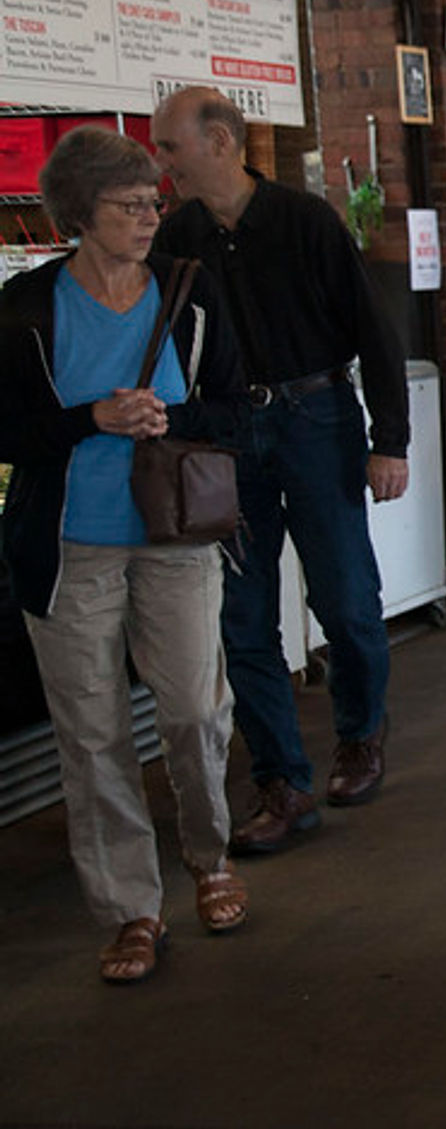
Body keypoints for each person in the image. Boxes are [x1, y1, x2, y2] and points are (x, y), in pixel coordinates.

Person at [1, 126, 252, 981]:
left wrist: (169, 419)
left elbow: (234, 412)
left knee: (193, 710)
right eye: (128, 205)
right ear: (78, 213)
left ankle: (210, 858)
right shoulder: (28, 308)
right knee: (93, 733)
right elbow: (7, 429)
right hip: (69, 549)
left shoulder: (190, 293)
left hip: (176, 540)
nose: (149, 217)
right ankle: (131, 909)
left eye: (154, 201)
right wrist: (89, 420)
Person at [152, 86, 408, 852]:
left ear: (222, 140)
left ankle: (361, 732)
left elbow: (374, 329)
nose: (164, 164)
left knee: (348, 599)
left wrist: (389, 438)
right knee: (243, 617)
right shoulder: (177, 237)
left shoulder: (306, 221)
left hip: (317, 418)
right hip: (226, 435)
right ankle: (282, 782)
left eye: (172, 146)